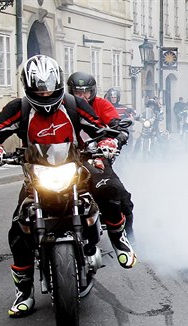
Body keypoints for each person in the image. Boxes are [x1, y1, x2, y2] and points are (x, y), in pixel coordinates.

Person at [0, 55, 136, 318]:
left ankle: (119, 238)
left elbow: (99, 129)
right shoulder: (19, 109)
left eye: (49, 86)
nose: (45, 92)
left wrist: (107, 142)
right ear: (28, 87)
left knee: (108, 191)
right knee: (18, 230)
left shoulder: (73, 105)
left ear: (59, 82)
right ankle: (24, 292)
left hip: (75, 168)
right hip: (37, 176)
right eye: (39, 88)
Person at [67, 72, 137, 246]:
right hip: (66, 159)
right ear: (70, 92)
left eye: (86, 92)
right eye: (77, 92)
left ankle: (128, 237)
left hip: (94, 156)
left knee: (120, 195)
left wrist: (118, 135)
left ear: (93, 91)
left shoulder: (101, 104)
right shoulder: (63, 106)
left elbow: (114, 122)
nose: (82, 96)